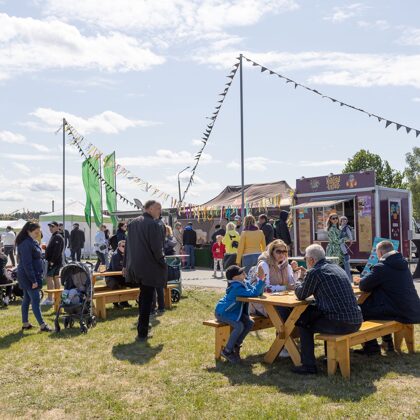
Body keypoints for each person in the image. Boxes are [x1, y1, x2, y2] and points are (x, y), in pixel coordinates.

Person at [293, 244, 362, 374]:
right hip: (356, 319)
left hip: (342, 323)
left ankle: (308, 366)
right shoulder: (336, 268)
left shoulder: (315, 272)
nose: (305, 261)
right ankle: (329, 357)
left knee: (304, 323)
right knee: (322, 316)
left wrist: (300, 278)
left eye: (305, 258)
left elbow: (301, 294)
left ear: (311, 260)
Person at [357, 240, 420, 355]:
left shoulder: (382, 267)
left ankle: (372, 347)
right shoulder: (403, 264)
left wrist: (362, 279)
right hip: (412, 308)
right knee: (378, 306)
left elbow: (363, 285)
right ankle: (388, 343)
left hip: (398, 310)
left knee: (360, 310)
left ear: (380, 253)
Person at [123, 200, 167, 342]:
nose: (160, 211)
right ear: (150, 209)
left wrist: (125, 265)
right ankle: (142, 332)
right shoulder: (153, 224)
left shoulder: (132, 223)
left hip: (135, 266)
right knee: (147, 298)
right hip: (148, 266)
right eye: (158, 208)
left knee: (143, 296)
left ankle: (143, 326)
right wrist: (163, 262)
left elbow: (127, 246)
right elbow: (157, 248)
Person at [250, 240, 296, 359]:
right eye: (278, 251)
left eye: (284, 251)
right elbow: (265, 288)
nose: (282, 254)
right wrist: (285, 287)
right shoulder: (264, 265)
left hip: (282, 301)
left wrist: (297, 276)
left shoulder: (287, 266)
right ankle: (282, 348)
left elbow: (292, 284)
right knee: (284, 313)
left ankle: (288, 345)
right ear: (272, 252)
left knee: (297, 312)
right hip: (261, 304)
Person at [215, 264, 266, 363]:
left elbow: (257, 293)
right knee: (239, 326)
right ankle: (227, 351)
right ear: (235, 277)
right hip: (223, 312)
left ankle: (235, 345)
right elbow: (253, 293)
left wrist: (261, 281)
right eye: (241, 272)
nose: (244, 273)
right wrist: (260, 280)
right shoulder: (236, 287)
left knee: (250, 323)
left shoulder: (244, 283)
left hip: (234, 312)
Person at [15, 222, 52, 332]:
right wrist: (33, 280)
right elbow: (27, 264)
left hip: (31, 274)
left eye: (39, 232)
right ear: (28, 231)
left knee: (27, 299)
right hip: (28, 276)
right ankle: (43, 325)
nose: (38, 234)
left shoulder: (31, 241)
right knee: (35, 299)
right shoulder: (26, 243)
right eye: (36, 232)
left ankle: (25, 324)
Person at [43, 221, 64, 305]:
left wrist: (52, 261)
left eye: (52, 226)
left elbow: (57, 251)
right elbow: (54, 249)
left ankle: (50, 299)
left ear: (57, 227)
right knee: (55, 278)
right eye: (49, 226)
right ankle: (57, 298)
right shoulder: (55, 236)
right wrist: (46, 249)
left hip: (54, 262)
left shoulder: (57, 236)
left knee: (49, 278)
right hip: (56, 261)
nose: (50, 228)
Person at [106, 240, 132, 309]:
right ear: (119, 247)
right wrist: (126, 269)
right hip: (111, 277)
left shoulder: (126, 255)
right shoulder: (115, 255)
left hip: (120, 276)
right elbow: (115, 268)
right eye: (123, 246)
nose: (125, 248)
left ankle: (124, 302)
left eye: (126, 246)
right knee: (116, 285)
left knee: (132, 282)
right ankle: (116, 303)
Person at [339, 216, 353, 282]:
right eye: (343, 220)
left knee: (346, 264)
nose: (344, 221)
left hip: (343, 247)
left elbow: (350, 235)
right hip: (337, 248)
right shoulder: (338, 227)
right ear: (340, 221)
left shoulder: (347, 227)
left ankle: (349, 279)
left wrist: (351, 240)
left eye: (345, 220)